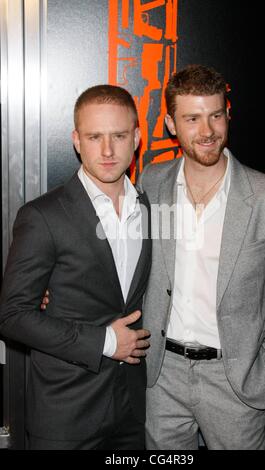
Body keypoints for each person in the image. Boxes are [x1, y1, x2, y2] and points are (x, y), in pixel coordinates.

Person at [138, 64, 265, 450]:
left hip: (236, 379)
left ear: (228, 114)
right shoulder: (151, 181)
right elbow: (124, 262)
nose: (207, 131)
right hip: (162, 377)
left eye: (215, 115)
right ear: (171, 124)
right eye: (192, 118)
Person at [0, 85, 152, 450]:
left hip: (132, 412)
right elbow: (12, 316)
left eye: (118, 136)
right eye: (94, 136)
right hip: (66, 414)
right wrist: (105, 341)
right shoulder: (43, 216)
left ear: (136, 137)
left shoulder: (147, 206)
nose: (107, 150)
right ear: (76, 140)